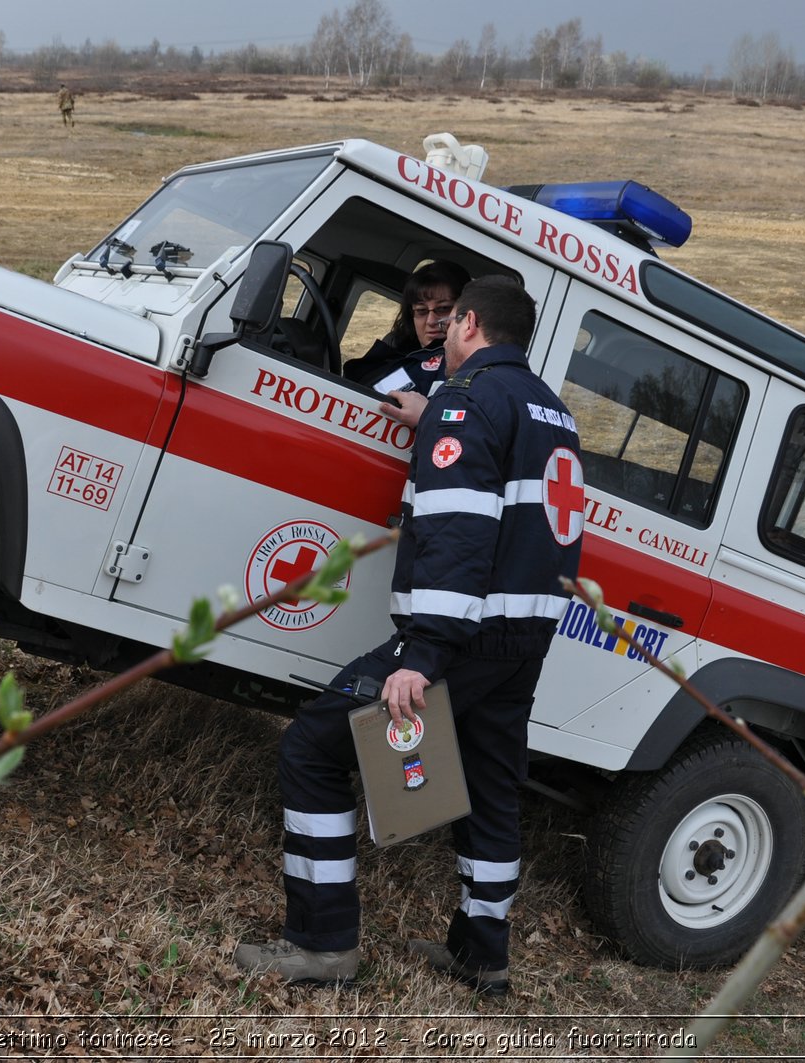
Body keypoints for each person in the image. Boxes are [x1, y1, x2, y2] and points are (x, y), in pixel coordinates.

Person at [234, 276, 585, 995]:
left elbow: (459, 532)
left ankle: (322, 943)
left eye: (449, 323)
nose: (444, 337)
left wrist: (422, 654)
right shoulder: (556, 414)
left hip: (462, 637)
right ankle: (483, 956)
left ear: (469, 324)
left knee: (312, 749)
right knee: (490, 791)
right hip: (524, 642)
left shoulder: (467, 401)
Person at [342, 260, 469, 395]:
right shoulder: (395, 354)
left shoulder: (468, 371)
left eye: (443, 308)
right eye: (421, 310)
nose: (431, 321)